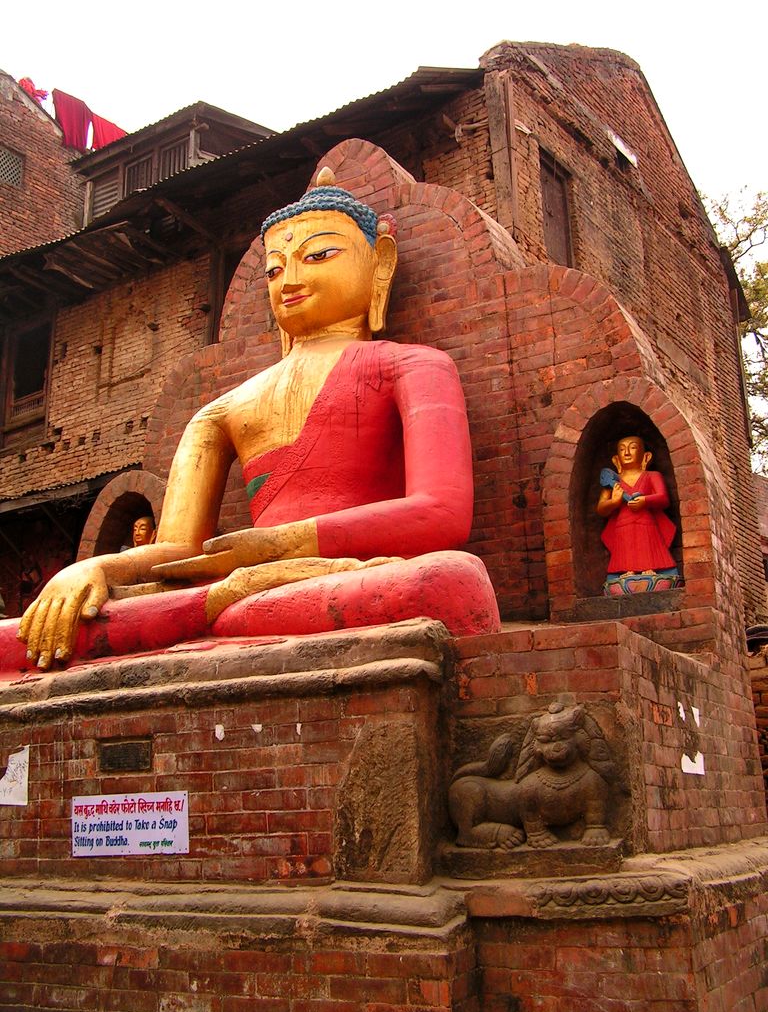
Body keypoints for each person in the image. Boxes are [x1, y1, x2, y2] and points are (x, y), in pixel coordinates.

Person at [6, 170, 498, 673]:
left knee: (448, 582)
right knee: (21, 634)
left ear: (380, 265)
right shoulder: (219, 411)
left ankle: (214, 616)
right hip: (235, 586)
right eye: (274, 270)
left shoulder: (413, 365)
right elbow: (180, 548)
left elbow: (442, 514)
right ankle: (223, 611)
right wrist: (93, 569)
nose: (290, 281)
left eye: (320, 255)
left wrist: (277, 545)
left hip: (339, 575)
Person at [596, 434, 678, 581]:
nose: (627, 453)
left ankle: (650, 569)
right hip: (623, 523)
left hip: (646, 522)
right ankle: (628, 571)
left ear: (646, 456)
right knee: (626, 546)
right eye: (622, 449)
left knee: (646, 544)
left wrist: (645, 500)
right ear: (616, 459)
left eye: (633, 448)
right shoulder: (613, 481)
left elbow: (663, 498)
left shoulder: (652, 475)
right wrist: (614, 502)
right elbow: (601, 508)